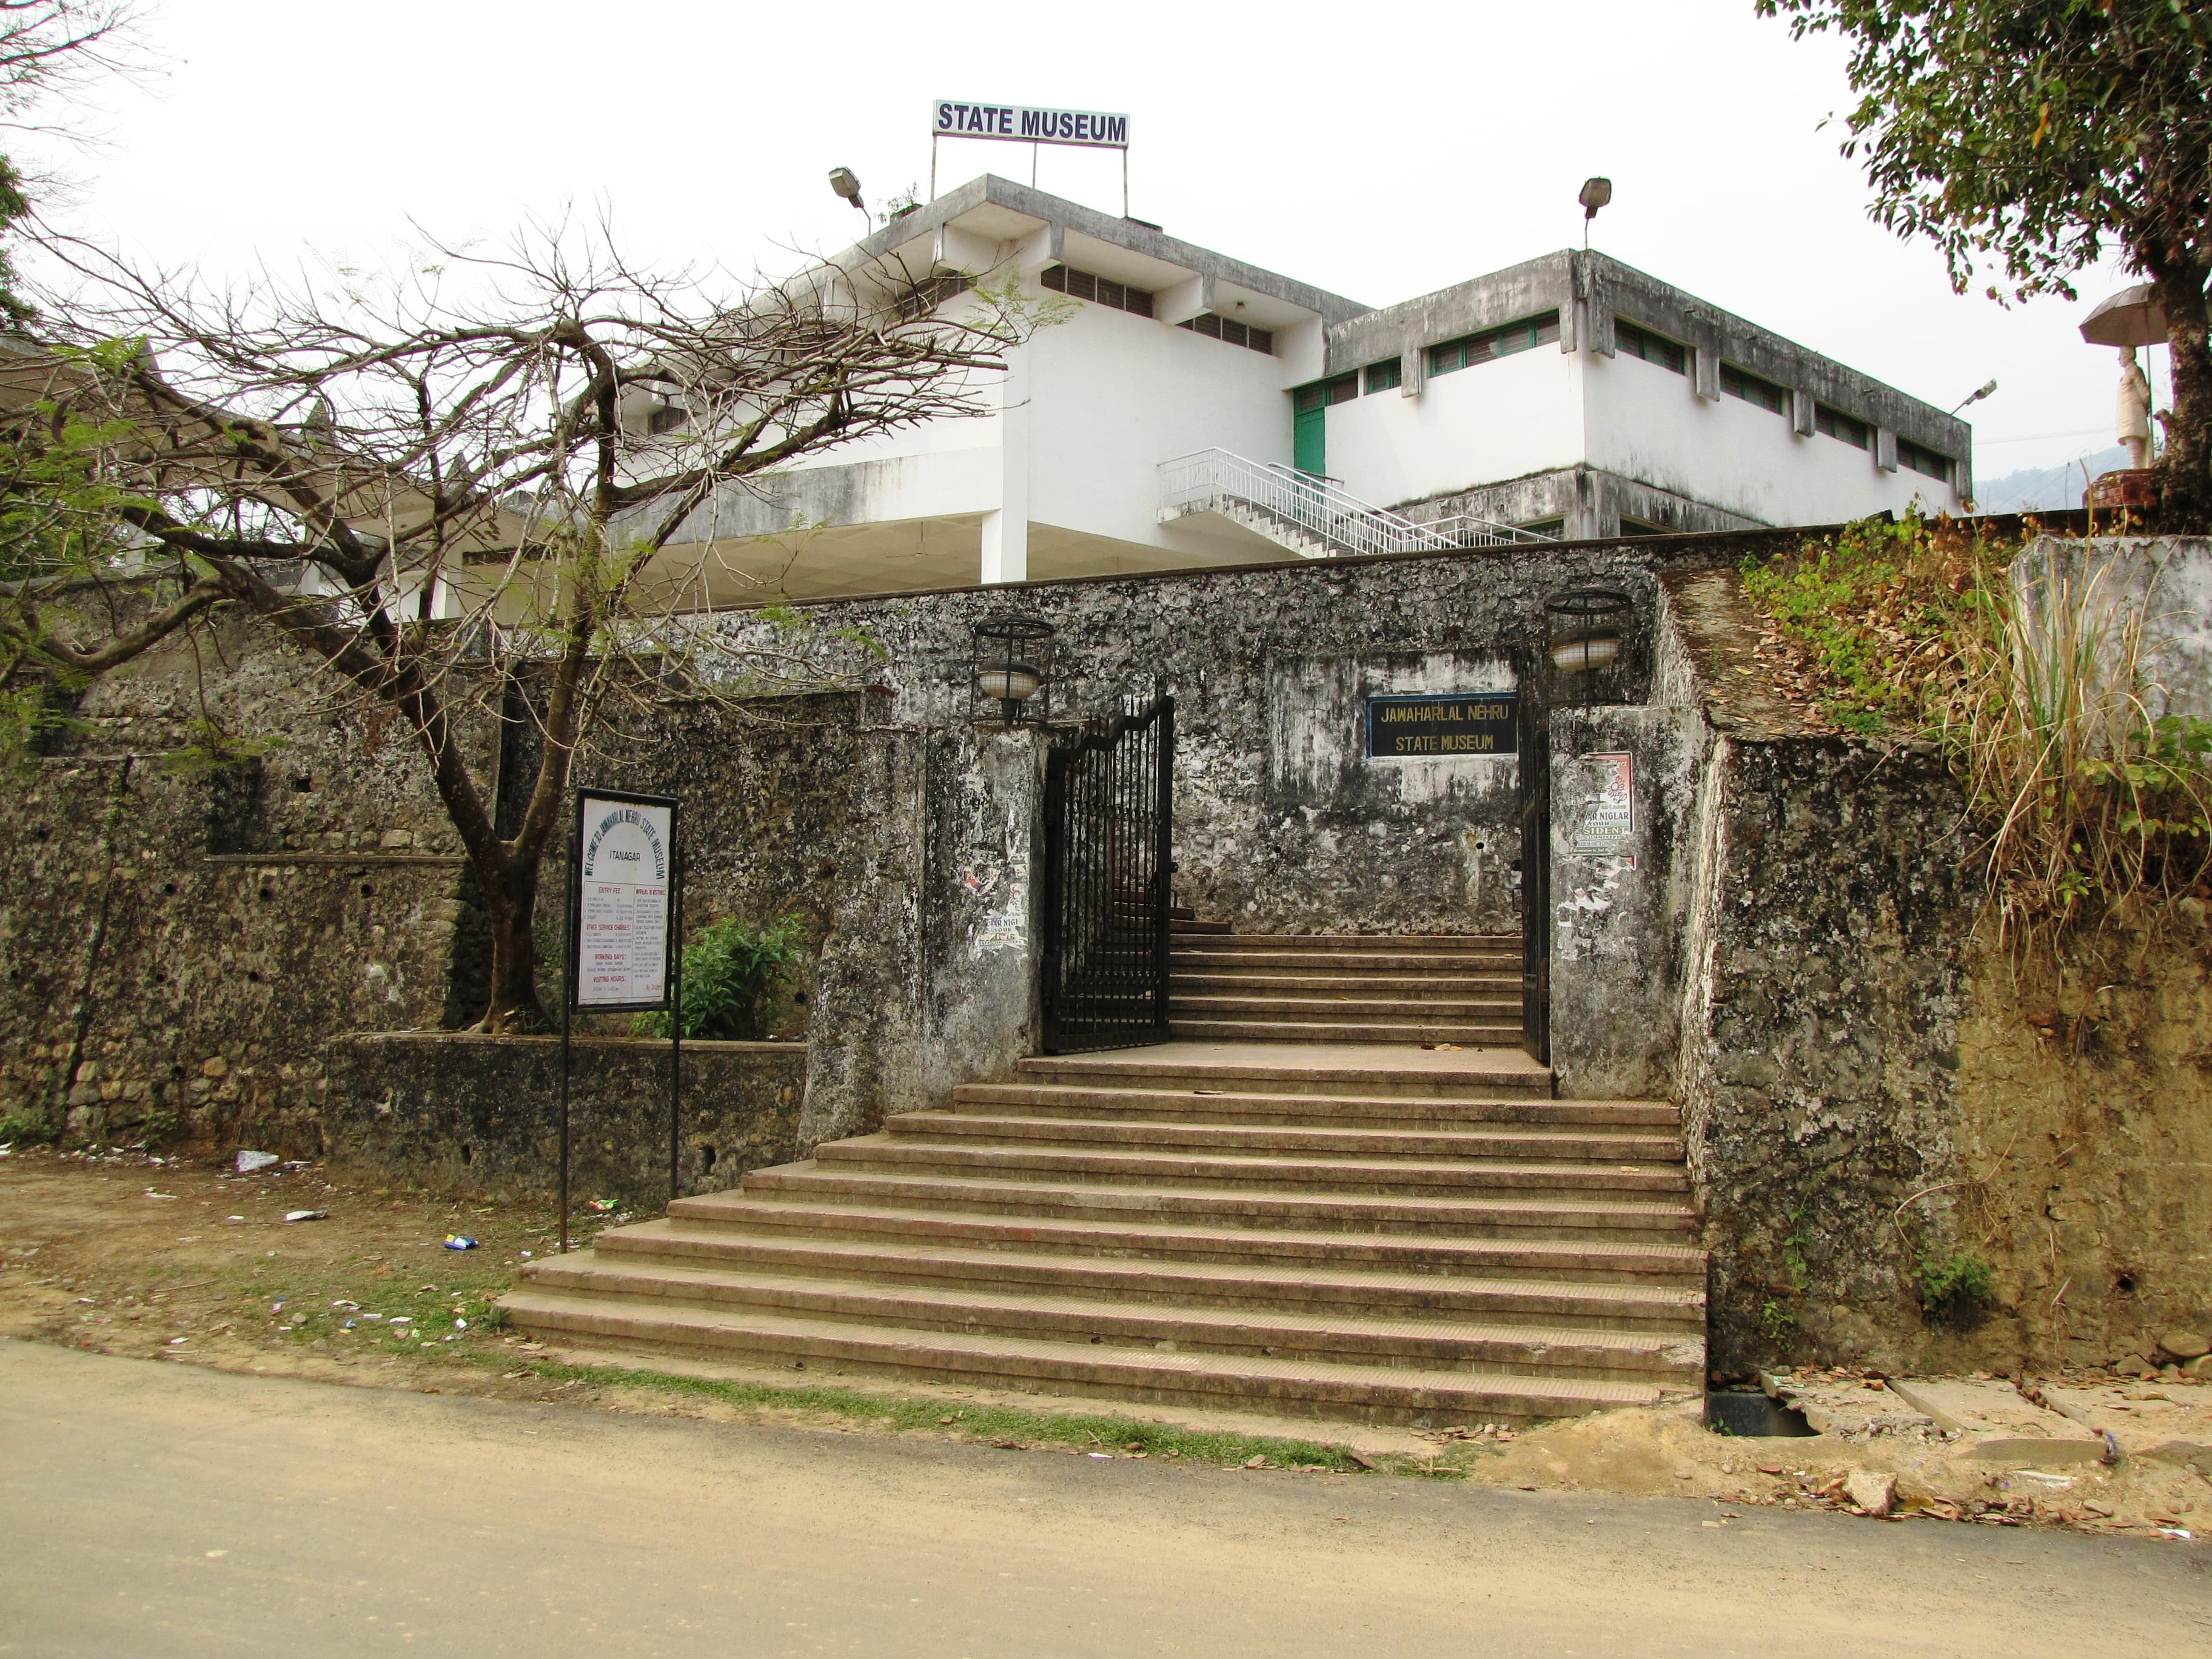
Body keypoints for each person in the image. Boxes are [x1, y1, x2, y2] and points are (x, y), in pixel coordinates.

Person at [2117, 346, 2153, 470]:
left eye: (2121, 355)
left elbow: (2145, 393)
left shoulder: (2135, 371)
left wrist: (2145, 408)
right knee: (2133, 450)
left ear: (2130, 355)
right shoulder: (2129, 373)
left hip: (2135, 415)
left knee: (2136, 452)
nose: (2119, 358)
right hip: (2128, 415)